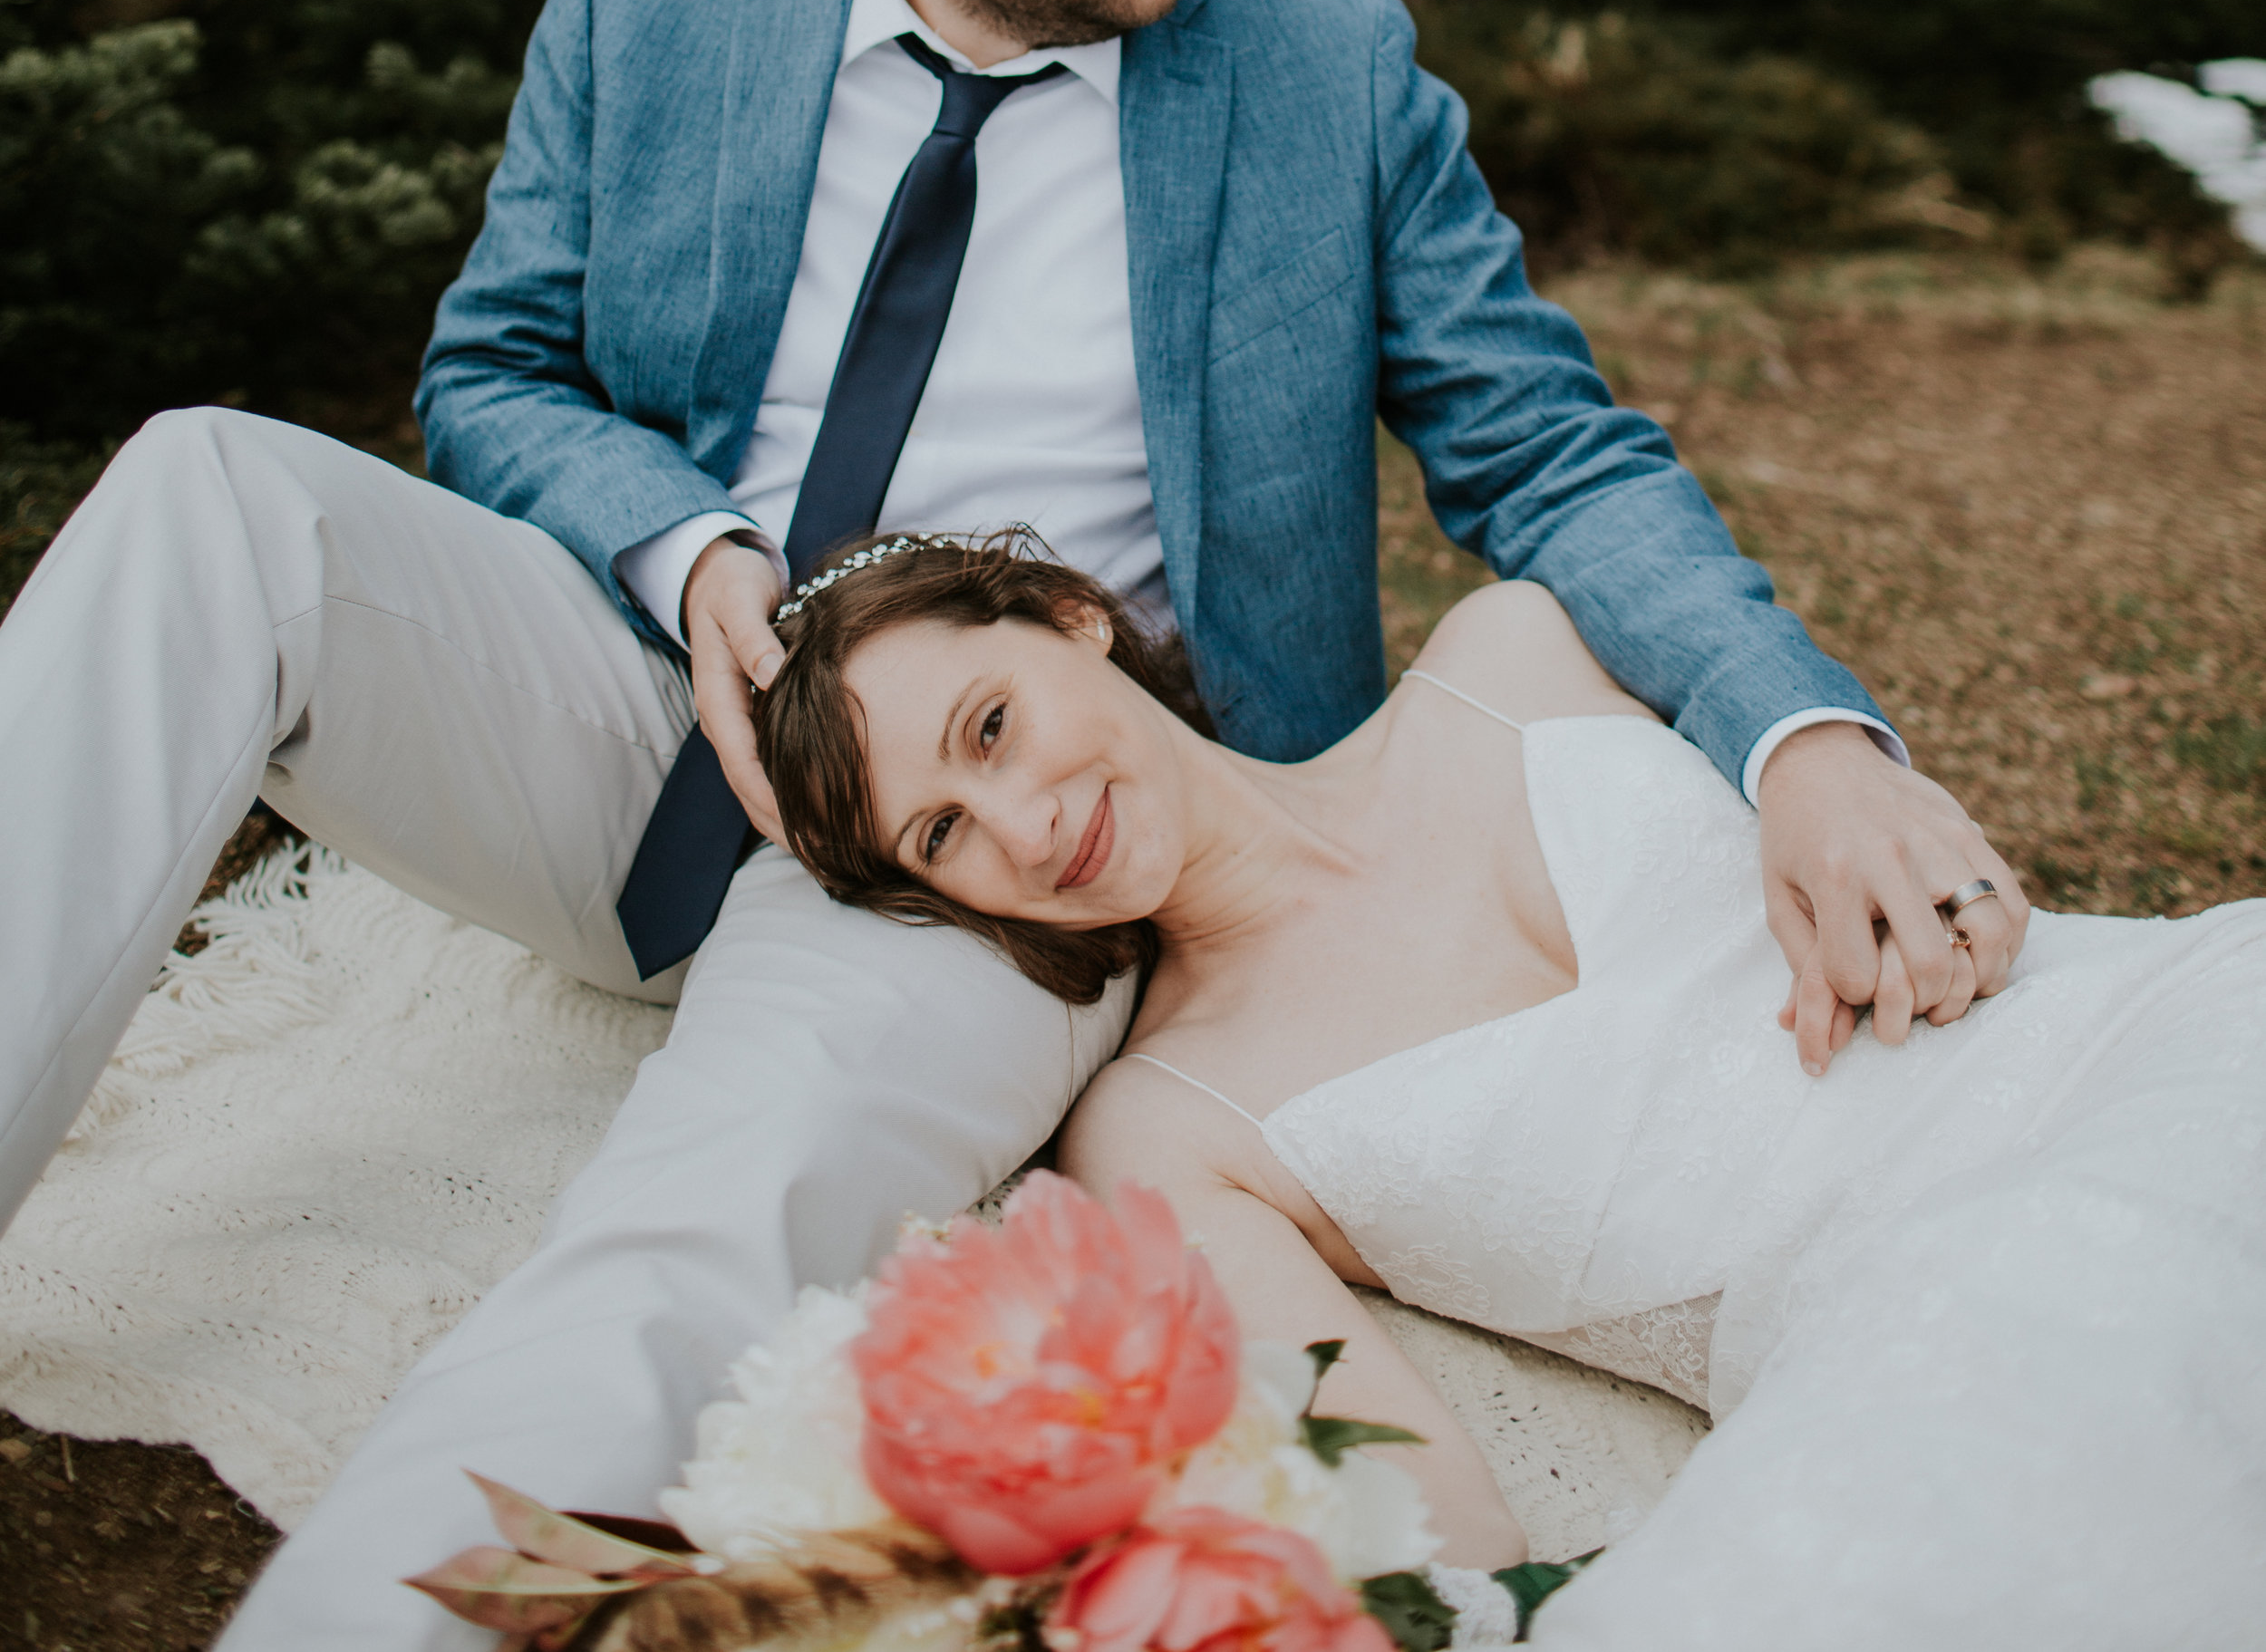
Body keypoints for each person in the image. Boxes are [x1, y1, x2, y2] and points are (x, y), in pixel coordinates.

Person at [0, 0, 2026, 1650]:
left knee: (702, 1221)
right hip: (636, 694)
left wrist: (1801, 735)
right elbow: (492, 372)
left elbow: (1541, 447)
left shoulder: (1320, 61)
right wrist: (688, 554)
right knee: (217, 489)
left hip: (1003, 829)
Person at [755, 533, 2266, 1652]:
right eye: (943, 831)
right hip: (1930, 1310)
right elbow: (1430, 1532)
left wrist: (1858, 795)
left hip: (2149, 1023)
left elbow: (1785, 706)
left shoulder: (1513, 645)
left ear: (1073, 619)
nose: (1021, 824)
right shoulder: (1165, 1128)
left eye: (993, 723)